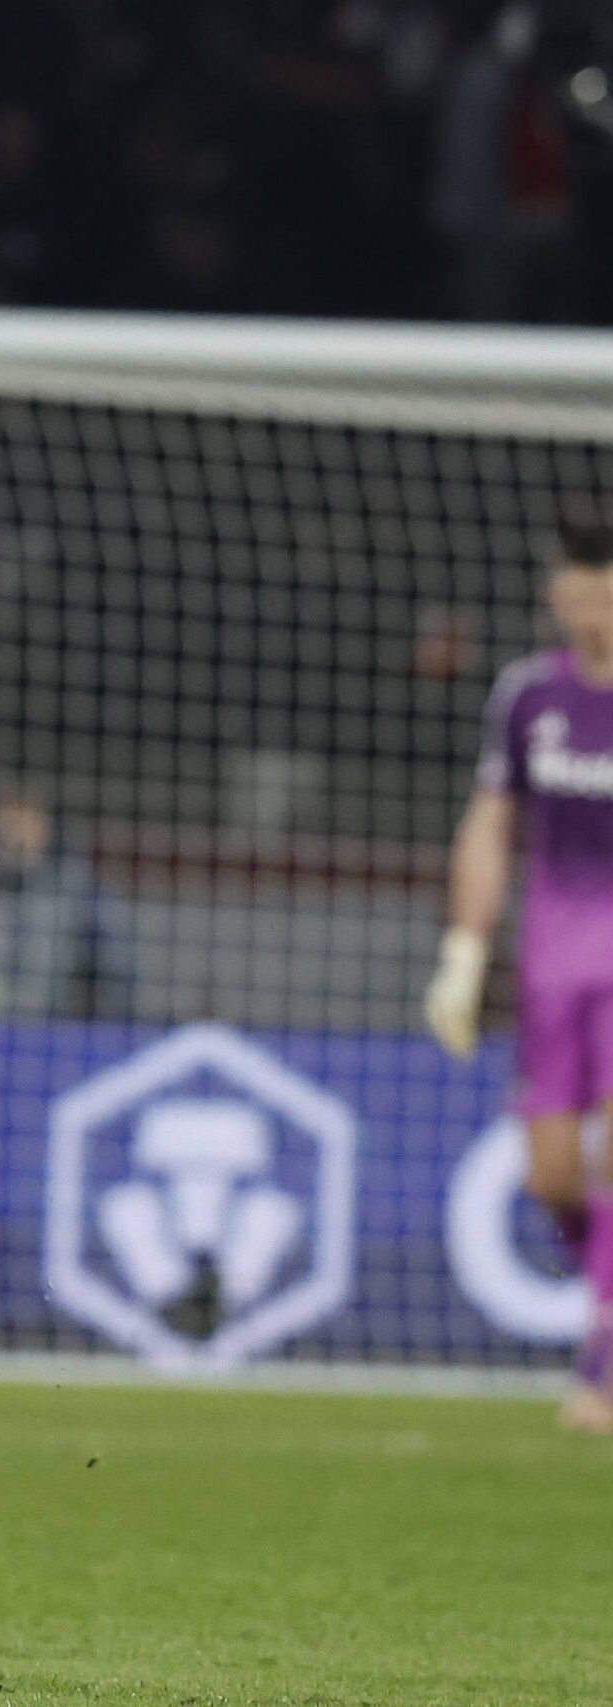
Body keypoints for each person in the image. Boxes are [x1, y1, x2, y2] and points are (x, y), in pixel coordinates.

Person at [427, 520, 613, 1432]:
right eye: (571, 592)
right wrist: (464, 954)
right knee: (553, 1177)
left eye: (599, 591)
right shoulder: (529, 694)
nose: (584, 608)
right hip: (552, 965)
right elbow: (490, 823)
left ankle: (601, 1372)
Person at [0, 783, 135, 1021]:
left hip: (37, 1028)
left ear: (44, 832)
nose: (14, 839)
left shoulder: (74, 894)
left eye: (24, 828)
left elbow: (115, 975)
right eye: (7, 826)